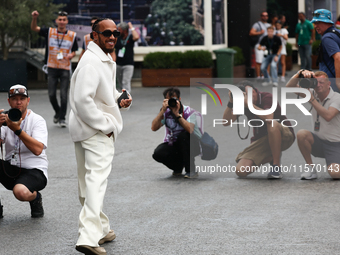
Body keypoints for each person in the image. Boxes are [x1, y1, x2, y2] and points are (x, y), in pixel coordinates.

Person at [69, 18, 132, 255]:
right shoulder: (92, 62)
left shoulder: (100, 59)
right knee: (95, 183)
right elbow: (82, 101)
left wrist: (118, 99)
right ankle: (87, 236)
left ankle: (102, 229)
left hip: (84, 130)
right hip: (95, 131)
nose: (112, 37)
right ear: (93, 36)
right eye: (106, 33)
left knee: (88, 184)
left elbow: (99, 93)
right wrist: (106, 125)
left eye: (115, 33)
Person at [222, 80, 295, 179]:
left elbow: (269, 117)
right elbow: (226, 122)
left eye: (247, 93)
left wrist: (249, 105)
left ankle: (276, 166)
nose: (245, 96)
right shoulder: (242, 103)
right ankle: (271, 156)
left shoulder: (267, 97)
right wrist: (231, 102)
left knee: (272, 123)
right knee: (240, 171)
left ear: (254, 91)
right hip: (262, 140)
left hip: (284, 135)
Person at [0, 85, 48, 218]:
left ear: (28, 101)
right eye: (14, 99)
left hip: (35, 170)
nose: (18, 102)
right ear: (9, 102)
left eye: (22, 98)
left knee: (20, 192)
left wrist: (18, 130)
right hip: (12, 169)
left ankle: (35, 198)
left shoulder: (37, 120)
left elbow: (38, 149)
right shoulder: (5, 120)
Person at [286, 70, 340, 180]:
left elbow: (328, 116)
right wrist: (299, 73)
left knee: (335, 174)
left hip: (336, 145)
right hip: (319, 142)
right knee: (302, 134)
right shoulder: (312, 92)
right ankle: (311, 169)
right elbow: (289, 87)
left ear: (329, 84)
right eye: (316, 82)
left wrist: (312, 99)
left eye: (322, 82)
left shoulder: (337, 98)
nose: (318, 85)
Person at [31, 10, 78, 127]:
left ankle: (62, 118)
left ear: (67, 21)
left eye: (64, 20)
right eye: (60, 19)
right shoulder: (50, 32)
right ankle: (58, 112)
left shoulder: (72, 35)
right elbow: (34, 28)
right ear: (57, 21)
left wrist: (71, 55)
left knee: (63, 94)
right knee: (51, 94)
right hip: (52, 67)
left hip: (65, 68)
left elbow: (74, 51)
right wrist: (34, 18)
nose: (62, 22)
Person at [151, 88, 202, 178]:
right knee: (158, 153)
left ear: (180, 99)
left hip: (192, 145)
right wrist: (162, 111)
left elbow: (190, 129)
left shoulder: (190, 111)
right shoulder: (165, 112)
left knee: (184, 136)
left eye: (174, 99)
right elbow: (154, 128)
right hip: (174, 144)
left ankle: (191, 170)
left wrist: (177, 115)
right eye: (169, 100)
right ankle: (178, 167)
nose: (172, 103)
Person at [311, 9, 340, 92]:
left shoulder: (327, 37)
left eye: (318, 23)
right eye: (314, 23)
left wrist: (338, 82)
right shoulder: (337, 33)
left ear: (327, 22)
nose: (315, 26)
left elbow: (338, 57)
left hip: (332, 85)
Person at [113, 22, 140, 92]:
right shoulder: (117, 38)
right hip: (118, 64)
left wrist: (131, 27)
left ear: (125, 30)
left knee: (125, 82)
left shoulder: (130, 38)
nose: (118, 31)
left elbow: (136, 37)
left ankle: (127, 98)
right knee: (120, 83)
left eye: (119, 30)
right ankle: (122, 98)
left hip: (128, 64)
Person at [249, 11, 271, 81]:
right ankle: (258, 76)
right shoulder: (257, 24)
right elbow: (251, 33)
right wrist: (260, 32)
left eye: (266, 16)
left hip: (267, 46)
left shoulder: (269, 25)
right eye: (263, 16)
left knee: (267, 61)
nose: (265, 17)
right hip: (259, 45)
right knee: (259, 61)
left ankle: (266, 76)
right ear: (261, 17)